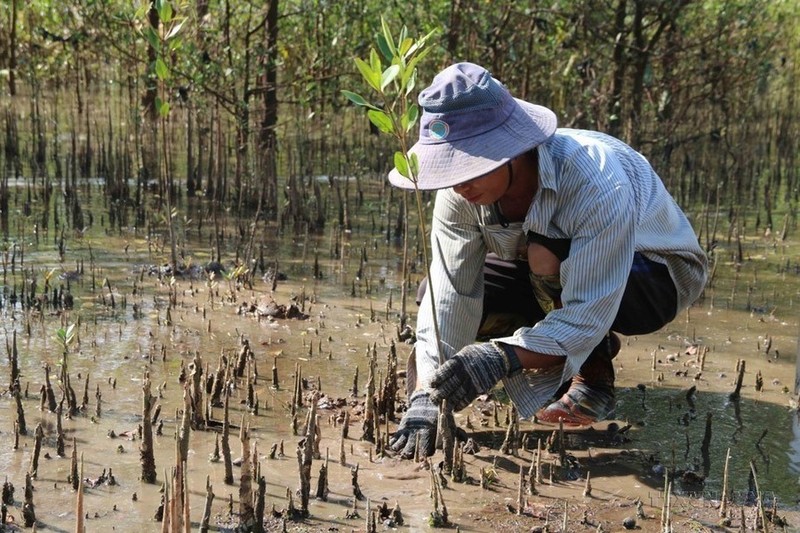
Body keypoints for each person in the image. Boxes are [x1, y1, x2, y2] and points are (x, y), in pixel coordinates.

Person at [387, 62, 708, 459]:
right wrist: (426, 397)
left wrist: (498, 357)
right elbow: (451, 293)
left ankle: (593, 375)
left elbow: (588, 309)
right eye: (449, 168)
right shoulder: (459, 195)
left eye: (468, 166)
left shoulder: (595, 179)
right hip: (552, 274)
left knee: (547, 253)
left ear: (512, 151)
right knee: (430, 292)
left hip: (654, 278)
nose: (459, 183)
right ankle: (561, 349)